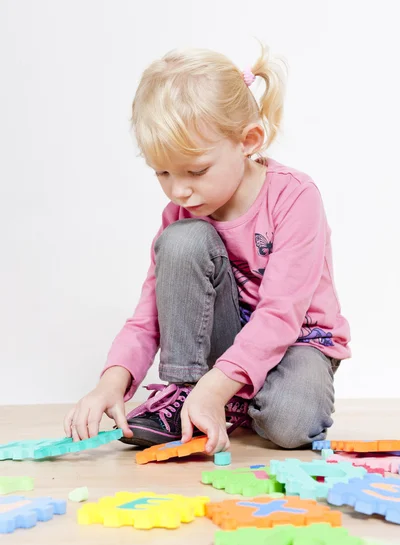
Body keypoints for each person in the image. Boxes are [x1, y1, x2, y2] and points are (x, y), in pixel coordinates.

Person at [64, 44, 351, 455]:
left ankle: (224, 393)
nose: (179, 190)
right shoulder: (180, 214)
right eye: (162, 172)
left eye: (196, 171)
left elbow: (280, 314)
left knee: (290, 427)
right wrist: (110, 383)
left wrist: (217, 387)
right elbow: (149, 315)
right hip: (225, 342)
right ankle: (186, 389)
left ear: (248, 141)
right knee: (183, 240)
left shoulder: (295, 197)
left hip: (297, 341)